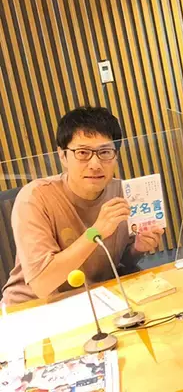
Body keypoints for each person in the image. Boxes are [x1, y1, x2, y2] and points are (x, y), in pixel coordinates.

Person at [1, 107, 164, 306]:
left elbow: (115, 263)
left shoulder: (122, 192)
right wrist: (96, 232)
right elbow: (42, 285)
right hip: (32, 307)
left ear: (115, 156)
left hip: (96, 299)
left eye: (105, 152)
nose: (95, 164)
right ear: (62, 156)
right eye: (83, 152)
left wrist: (137, 249)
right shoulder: (35, 197)